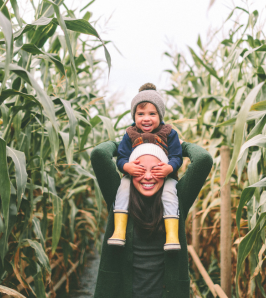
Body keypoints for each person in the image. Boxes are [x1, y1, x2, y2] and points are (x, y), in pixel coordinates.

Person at [90, 139, 213, 298]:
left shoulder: (178, 200)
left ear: (167, 171)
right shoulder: (117, 196)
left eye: (156, 170)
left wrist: (178, 145)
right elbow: (99, 155)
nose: (148, 176)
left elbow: (203, 159)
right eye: (139, 169)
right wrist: (126, 142)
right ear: (130, 170)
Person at [109, 83, 183, 251]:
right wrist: (127, 167)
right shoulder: (130, 134)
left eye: (152, 113)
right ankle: (119, 230)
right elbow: (121, 158)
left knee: (171, 192)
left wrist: (169, 168)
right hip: (136, 177)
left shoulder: (169, 133)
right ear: (134, 115)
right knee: (123, 187)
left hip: (163, 177)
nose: (146, 118)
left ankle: (172, 234)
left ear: (160, 115)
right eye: (140, 114)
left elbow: (177, 157)